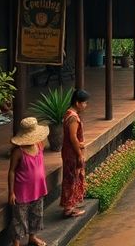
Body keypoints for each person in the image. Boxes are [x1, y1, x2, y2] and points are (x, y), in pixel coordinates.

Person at [8, 117, 49, 246]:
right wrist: (11, 192)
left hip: (38, 188)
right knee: (19, 218)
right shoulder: (18, 152)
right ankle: (16, 242)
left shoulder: (39, 145)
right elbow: (12, 171)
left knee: (36, 214)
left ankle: (32, 237)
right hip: (22, 190)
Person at [61, 89, 89, 217]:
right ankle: (69, 208)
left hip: (70, 150)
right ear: (77, 103)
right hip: (72, 152)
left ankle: (72, 204)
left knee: (74, 177)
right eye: (84, 103)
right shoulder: (72, 117)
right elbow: (73, 137)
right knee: (71, 178)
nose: (85, 105)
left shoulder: (69, 114)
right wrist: (79, 153)